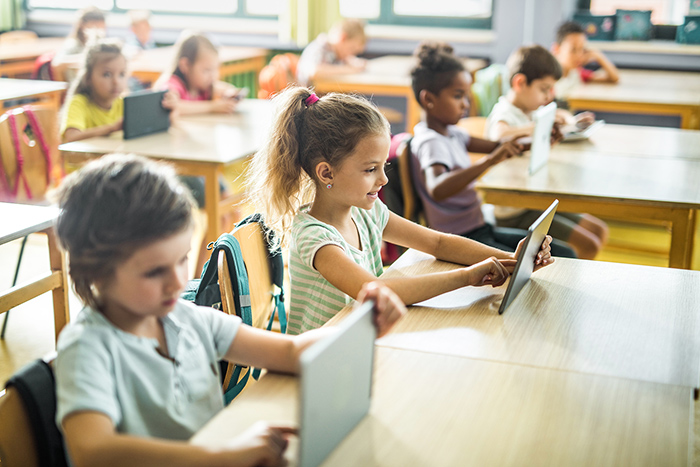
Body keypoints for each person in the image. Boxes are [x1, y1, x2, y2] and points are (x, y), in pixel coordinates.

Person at [52, 153, 405, 467]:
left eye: (182, 260)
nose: (177, 283)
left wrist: (365, 324)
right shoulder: (87, 346)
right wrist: (224, 456)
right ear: (96, 270)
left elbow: (290, 351)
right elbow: (93, 452)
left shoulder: (185, 316)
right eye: (154, 272)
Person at [245, 86, 556, 336]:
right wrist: (466, 277)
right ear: (326, 173)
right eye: (370, 169)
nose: (383, 179)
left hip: (365, 338)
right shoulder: (314, 237)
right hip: (324, 360)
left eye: (383, 166)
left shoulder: (367, 212)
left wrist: (511, 261)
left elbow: (438, 243)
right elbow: (377, 290)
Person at [409, 42, 576, 258]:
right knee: (544, 262)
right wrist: (489, 162)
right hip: (460, 240)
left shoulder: (453, 134)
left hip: (479, 228)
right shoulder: (430, 141)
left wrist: (541, 140)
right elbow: (437, 188)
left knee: (565, 253)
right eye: (458, 96)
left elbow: (501, 147)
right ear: (429, 100)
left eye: (467, 96)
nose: (466, 104)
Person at [484, 45, 608, 259]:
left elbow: (556, 115)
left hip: (533, 201)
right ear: (520, 83)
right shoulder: (504, 113)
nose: (548, 96)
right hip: (512, 211)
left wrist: (569, 123)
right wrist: (539, 127)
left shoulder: (529, 110)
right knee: (588, 245)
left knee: (599, 231)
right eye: (543, 89)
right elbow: (499, 135)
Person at [59, 39, 176, 144]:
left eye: (122, 74)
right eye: (107, 74)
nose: (116, 82)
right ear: (88, 77)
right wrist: (111, 128)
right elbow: (71, 137)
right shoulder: (78, 103)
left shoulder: (123, 103)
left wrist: (169, 112)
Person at [155, 30, 244, 115]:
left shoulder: (203, 87)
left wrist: (230, 93)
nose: (213, 76)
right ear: (185, 65)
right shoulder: (173, 85)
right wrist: (212, 107)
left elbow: (222, 88)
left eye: (215, 69)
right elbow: (175, 106)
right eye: (206, 70)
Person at [552, 21, 619, 101]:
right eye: (573, 50)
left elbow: (613, 78)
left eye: (582, 49)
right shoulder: (549, 79)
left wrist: (598, 56)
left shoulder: (576, 73)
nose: (579, 55)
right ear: (557, 49)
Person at [296, 18, 367, 86]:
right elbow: (314, 72)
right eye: (351, 49)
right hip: (309, 96)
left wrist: (355, 63)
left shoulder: (336, 53)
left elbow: (348, 60)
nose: (350, 54)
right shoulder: (321, 47)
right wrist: (347, 69)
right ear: (343, 38)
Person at [52, 6, 107, 82]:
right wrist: (87, 58)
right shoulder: (73, 45)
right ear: (82, 25)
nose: (99, 30)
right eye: (94, 25)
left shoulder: (99, 45)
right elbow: (57, 64)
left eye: (101, 27)